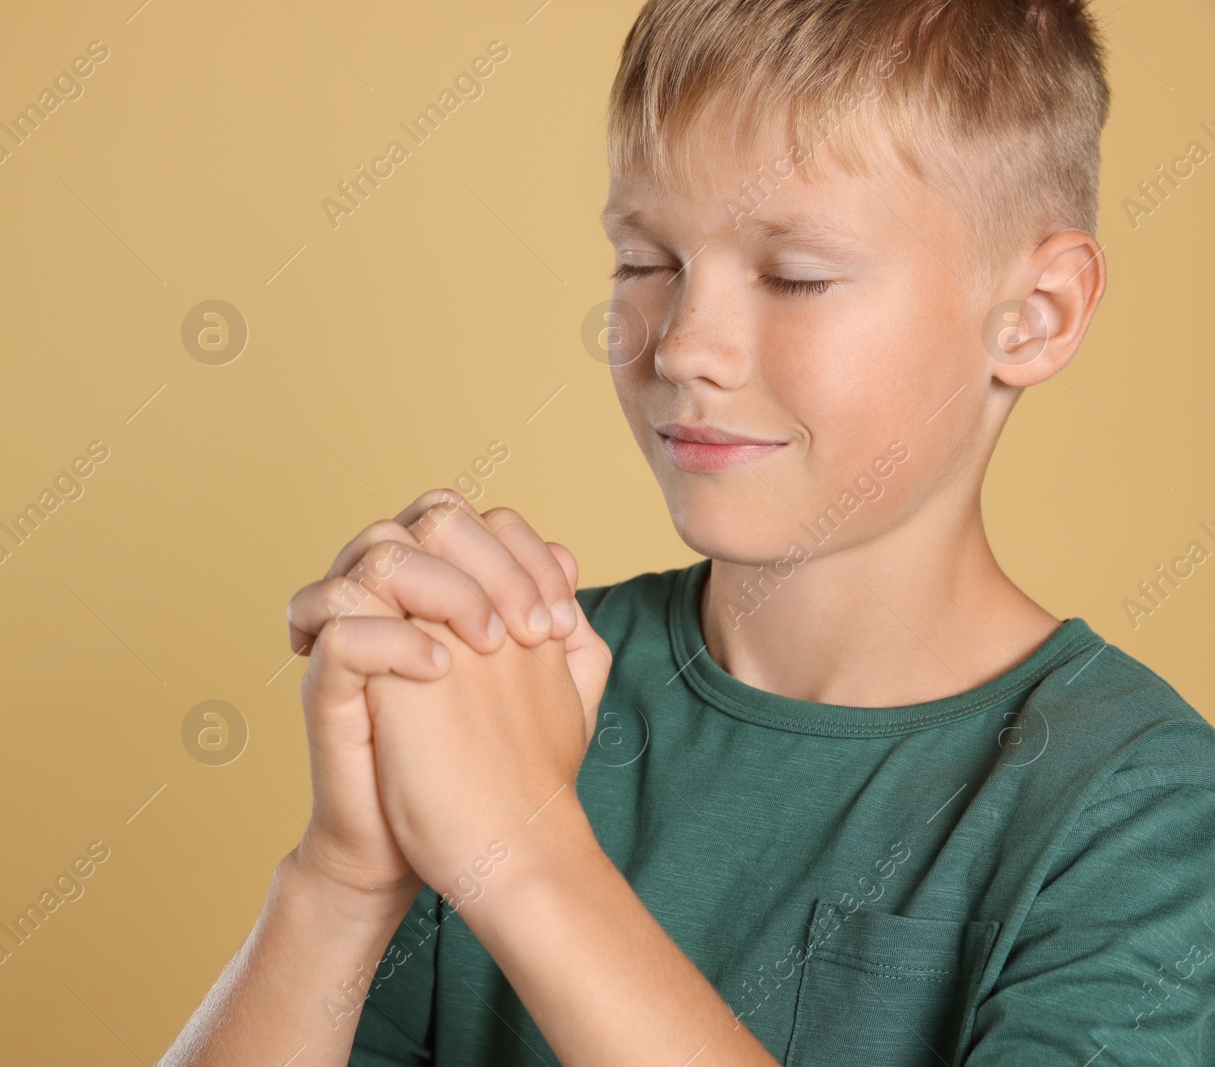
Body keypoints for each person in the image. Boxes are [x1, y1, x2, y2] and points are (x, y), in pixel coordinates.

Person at [158, 1, 1215, 1063]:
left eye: (794, 275)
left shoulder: (1142, 809)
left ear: (1031, 314)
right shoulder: (511, 692)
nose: (683, 346)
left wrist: (524, 851)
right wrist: (341, 879)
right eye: (643, 260)